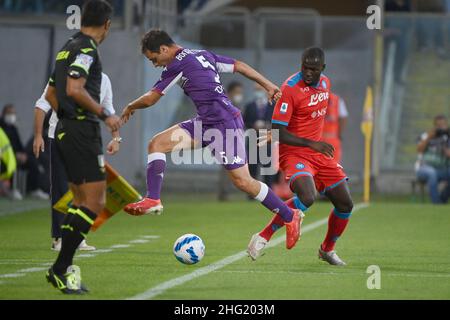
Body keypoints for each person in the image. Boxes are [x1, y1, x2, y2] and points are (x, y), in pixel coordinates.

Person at [120, 29, 301, 250]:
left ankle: (289, 215)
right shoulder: (202, 54)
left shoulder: (176, 65)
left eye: (154, 59)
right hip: (206, 121)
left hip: (224, 123)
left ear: (164, 49)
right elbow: (240, 65)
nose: (155, 64)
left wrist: (130, 106)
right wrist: (268, 85)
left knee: (243, 181)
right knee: (156, 144)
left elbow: (151, 99)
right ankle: (153, 199)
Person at [247, 47, 354, 266]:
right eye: (304, 67)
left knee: (345, 204)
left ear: (322, 69)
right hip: (295, 152)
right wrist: (310, 142)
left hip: (318, 153)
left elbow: (307, 119)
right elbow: (279, 131)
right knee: (307, 196)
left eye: (313, 69)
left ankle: (327, 250)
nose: (308, 73)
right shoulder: (290, 89)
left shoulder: (326, 83)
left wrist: (314, 144)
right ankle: (263, 236)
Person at [44, 0, 121, 294]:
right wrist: (103, 115)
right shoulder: (87, 49)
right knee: (95, 202)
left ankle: (61, 269)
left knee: (78, 201)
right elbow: (74, 89)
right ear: (107, 25)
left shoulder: (67, 47)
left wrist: (64, 117)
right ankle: (60, 268)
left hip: (65, 130)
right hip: (82, 132)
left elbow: (53, 93)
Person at [33, 72, 120, 252]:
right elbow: (42, 104)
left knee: (87, 191)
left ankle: (78, 236)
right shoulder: (64, 75)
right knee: (61, 189)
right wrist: (37, 136)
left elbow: (109, 109)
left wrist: (116, 138)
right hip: (61, 137)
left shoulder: (104, 79)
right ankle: (58, 238)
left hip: (88, 141)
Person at [0, 104, 48, 200]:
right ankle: (12, 189)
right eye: (9, 113)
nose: (12, 116)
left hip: (17, 156)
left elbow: (19, 144)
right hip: (5, 157)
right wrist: (15, 154)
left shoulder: (14, 128)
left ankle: (34, 189)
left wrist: (23, 154)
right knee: (12, 164)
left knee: (33, 162)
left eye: (13, 113)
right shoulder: (2, 129)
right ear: (4, 114)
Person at [243, 83, 276, 190]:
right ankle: (252, 193)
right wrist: (253, 125)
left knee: (268, 169)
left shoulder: (274, 105)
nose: (258, 92)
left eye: (260, 89)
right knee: (252, 168)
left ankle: (270, 193)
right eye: (256, 90)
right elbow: (244, 122)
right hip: (253, 139)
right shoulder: (249, 106)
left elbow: (278, 122)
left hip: (268, 140)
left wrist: (268, 125)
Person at [218, 81, 244, 201]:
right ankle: (224, 192)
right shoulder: (224, 104)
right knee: (226, 169)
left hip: (236, 141)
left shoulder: (237, 106)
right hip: (225, 140)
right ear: (231, 92)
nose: (239, 95)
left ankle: (227, 191)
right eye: (237, 92)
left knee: (235, 168)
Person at [416, 114, 450, 204]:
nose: (441, 128)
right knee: (432, 173)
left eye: (443, 126)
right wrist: (428, 138)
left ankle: (442, 200)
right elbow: (419, 150)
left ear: (446, 126)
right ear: (434, 126)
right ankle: (436, 204)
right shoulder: (425, 135)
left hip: (443, 169)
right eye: (438, 126)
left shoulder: (448, 137)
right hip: (425, 168)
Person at [321, 92, 348, 164]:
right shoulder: (337, 100)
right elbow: (343, 117)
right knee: (333, 166)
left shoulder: (314, 98)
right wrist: (339, 133)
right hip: (333, 139)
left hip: (317, 140)